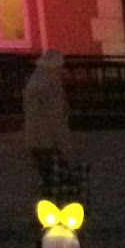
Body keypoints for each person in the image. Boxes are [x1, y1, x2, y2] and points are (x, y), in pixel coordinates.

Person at [22, 49, 77, 197]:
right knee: (58, 181)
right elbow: (56, 116)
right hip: (49, 140)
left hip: (34, 138)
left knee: (45, 178)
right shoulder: (52, 84)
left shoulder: (34, 80)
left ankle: (44, 210)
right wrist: (64, 145)